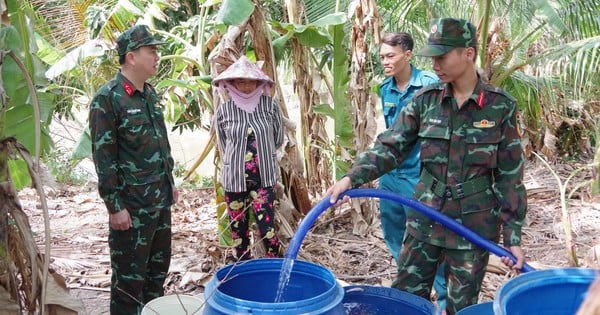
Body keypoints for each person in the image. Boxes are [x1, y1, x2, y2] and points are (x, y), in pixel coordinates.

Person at [327, 18, 527, 315]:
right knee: (406, 298)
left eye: (442, 56)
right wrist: (351, 179)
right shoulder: (425, 101)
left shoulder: (499, 106)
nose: (435, 64)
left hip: (473, 225)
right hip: (425, 218)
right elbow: (389, 148)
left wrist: (512, 237)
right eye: (432, 57)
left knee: (461, 306)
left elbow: (510, 175)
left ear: (468, 54)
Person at [89, 25, 178, 315]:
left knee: (156, 281)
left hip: (159, 203)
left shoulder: (149, 95)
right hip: (132, 209)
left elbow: (160, 145)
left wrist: (170, 182)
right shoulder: (108, 99)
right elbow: (104, 158)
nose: (157, 56)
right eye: (151, 51)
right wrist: (114, 206)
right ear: (131, 57)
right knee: (129, 287)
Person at [377, 32, 448, 309]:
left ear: (407, 55)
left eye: (391, 56)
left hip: (419, 176)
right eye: (382, 56)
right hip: (391, 175)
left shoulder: (429, 85)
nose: (385, 61)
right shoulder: (386, 88)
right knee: (394, 234)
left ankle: (443, 301)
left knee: (430, 241)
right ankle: (413, 294)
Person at [213, 55, 284, 261]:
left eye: (250, 81)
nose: (245, 86)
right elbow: (224, 144)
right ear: (231, 84)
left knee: (267, 229)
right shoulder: (224, 111)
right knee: (238, 232)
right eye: (240, 81)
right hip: (234, 180)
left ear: (259, 83)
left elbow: (278, 139)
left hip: (264, 179)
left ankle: (273, 270)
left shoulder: (269, 106)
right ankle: (243, 271)